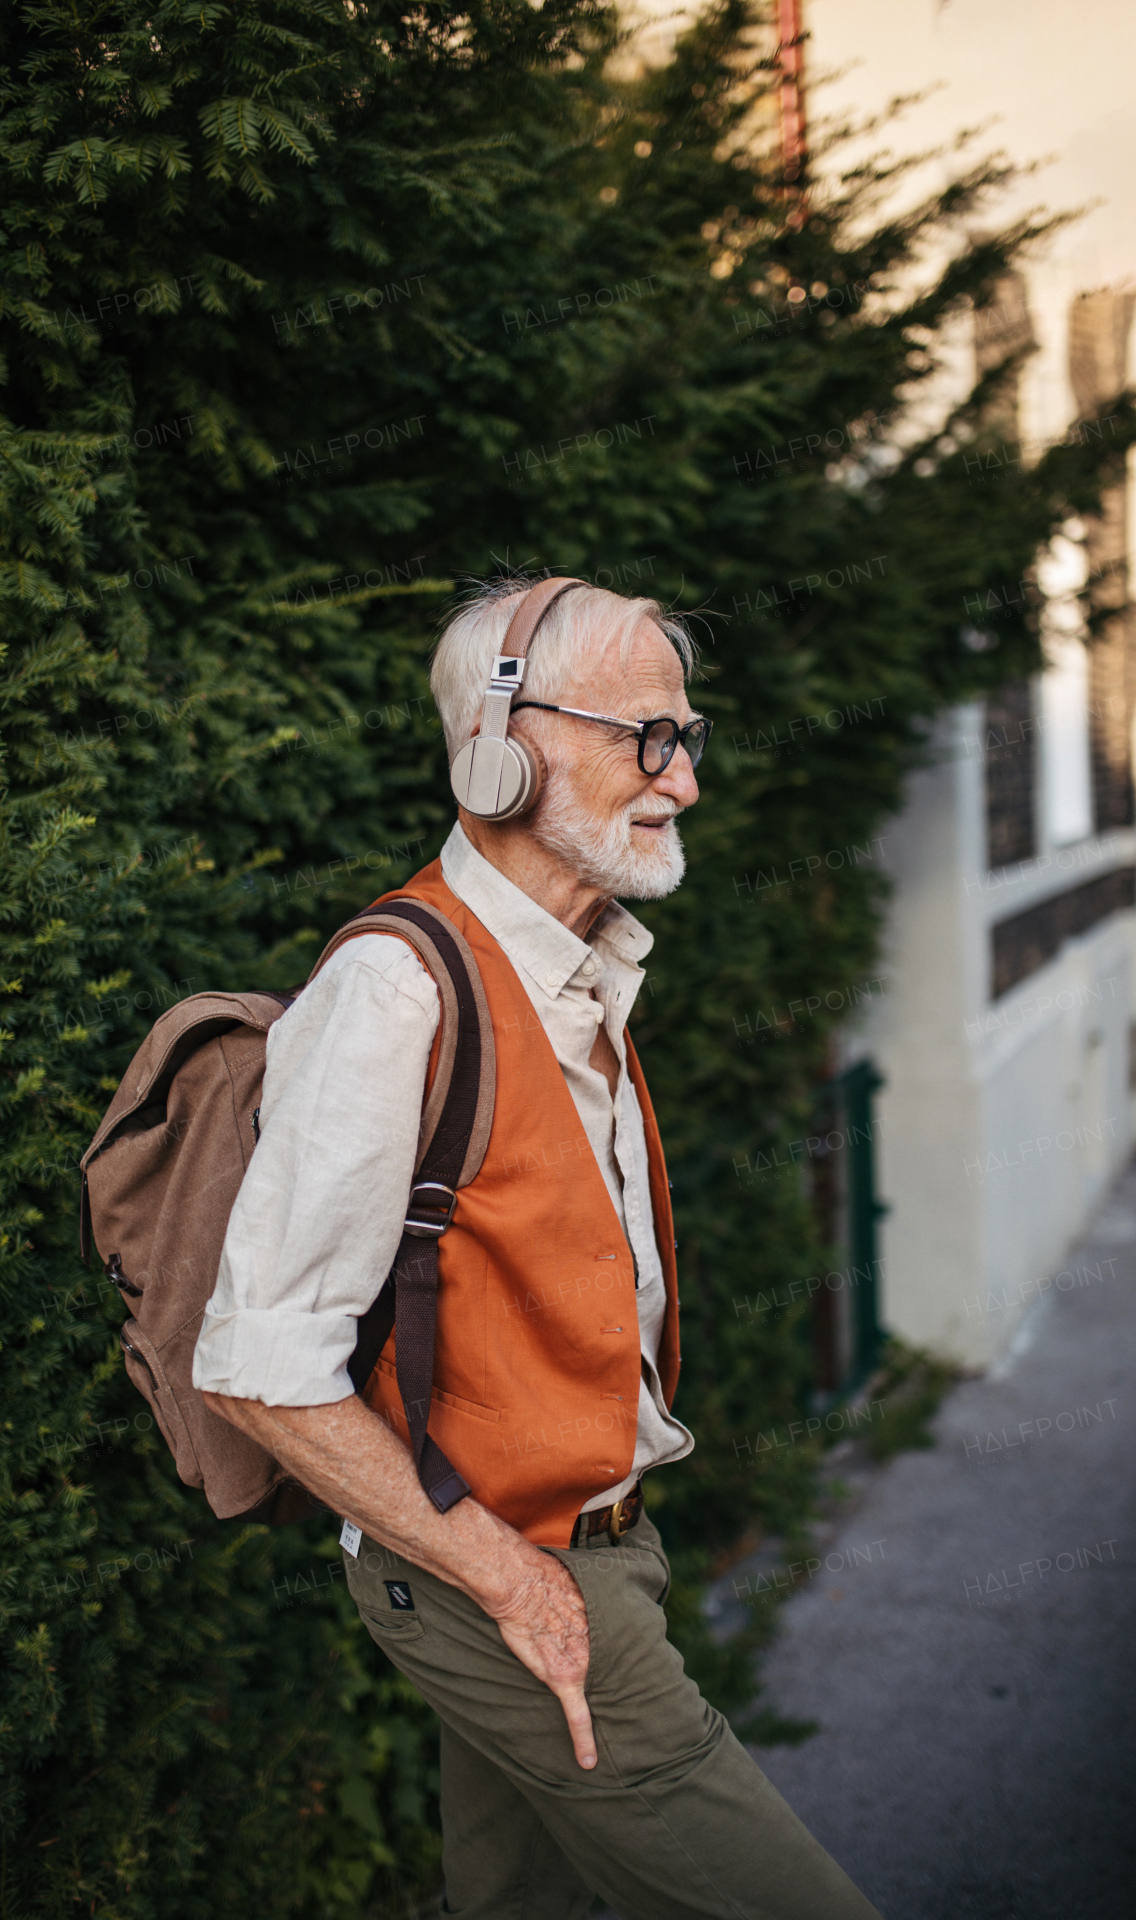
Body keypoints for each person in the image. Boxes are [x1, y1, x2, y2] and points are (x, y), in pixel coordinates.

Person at [193, 576, 882, 1920]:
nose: (681, 784)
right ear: (500, 750)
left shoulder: (580, 968)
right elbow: (254, 1363)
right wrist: (516, 1583)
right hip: (496, 1566)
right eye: (648, 739)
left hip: (588, 1545)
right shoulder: (397, 988)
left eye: (688, 738)